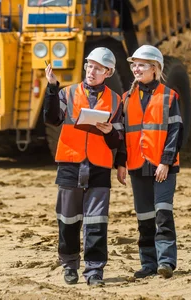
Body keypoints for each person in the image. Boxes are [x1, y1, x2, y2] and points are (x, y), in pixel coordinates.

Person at [43, 47, 124, 286]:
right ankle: (69, 266)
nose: (92, 71)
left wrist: (110, 132)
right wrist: (51, 88)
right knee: (67, 219)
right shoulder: (67, 93)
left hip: (99, 166)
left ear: (108, 72)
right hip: (70, 163)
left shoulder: (115, 101)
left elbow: (118, 139)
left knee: (97, 222)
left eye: (98, 68)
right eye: (89, 65)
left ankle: (94, 271)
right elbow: (52, 118)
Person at [115, 45, 183, 279]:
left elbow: (175, 131)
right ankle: (148, 264)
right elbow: (123, 135)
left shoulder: (169, 95)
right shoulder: (127, 98)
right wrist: (121, 163)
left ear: (155, 69)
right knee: (144, 218)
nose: (136, 68)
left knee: (163, 214)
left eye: (141, 65)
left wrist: (166, 162)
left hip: (162, 166)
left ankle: (166, 262)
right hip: (136, 165)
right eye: (134, 64)